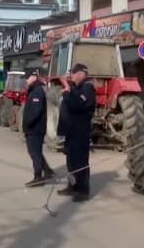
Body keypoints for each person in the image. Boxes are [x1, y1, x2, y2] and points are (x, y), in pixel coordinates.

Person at [57, 63, 96, 202]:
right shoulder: (78, 88)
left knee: (80, 163)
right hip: (71, 131)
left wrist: (67, 91)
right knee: (71, 162)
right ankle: (72, 186)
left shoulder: (88, 88)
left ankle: (82, 190)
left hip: (80, 132)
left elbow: (77, 104)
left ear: (81, 73)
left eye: (73, 73)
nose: (71, 75)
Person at [21, 69, 55, 187]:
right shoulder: (34, 90)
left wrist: (28, 125)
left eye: (28, 77)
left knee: (34, 152)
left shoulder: (37, 92)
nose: (26, 80)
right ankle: (48, 171)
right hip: (34, 129)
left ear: (34, 77)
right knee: (36, 152)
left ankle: (38, 177)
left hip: (35, 129)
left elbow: (35, 112)